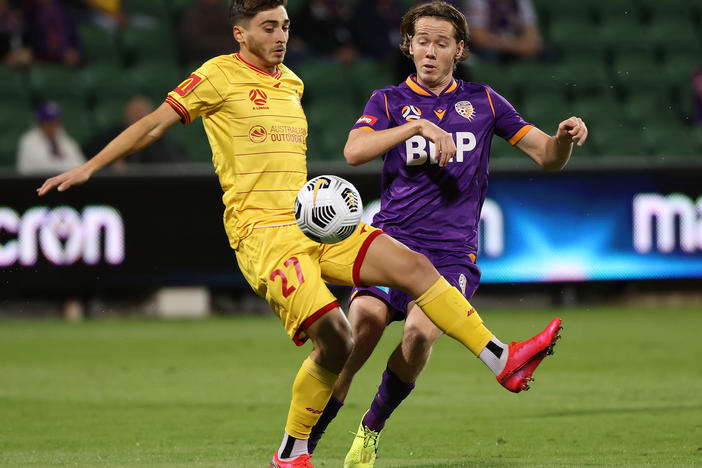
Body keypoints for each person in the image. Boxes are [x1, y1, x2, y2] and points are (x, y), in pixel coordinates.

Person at [36, 2, 564, 467]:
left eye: (285, 25)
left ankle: (503, 359)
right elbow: (152, 123)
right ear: (240, 34)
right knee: (338, 338)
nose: (281, 36)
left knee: (416, 269)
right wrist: (91, 166)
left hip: (313, 222)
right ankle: (292, 453)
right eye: (268, 27)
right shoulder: (217, 75)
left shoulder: (292, 82)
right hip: (263, 234)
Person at [306, 2, 587, 467]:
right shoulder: (389, 101)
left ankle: (369, 430)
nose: (430, 52)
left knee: (418, 336)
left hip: (450, 255)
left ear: (460, 49)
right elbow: (354, 151)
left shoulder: (486, 102)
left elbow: (547, 157)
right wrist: (413, 126)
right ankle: (304, 449)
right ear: (408, 46)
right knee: (359, 335)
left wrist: (562, 137)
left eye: (441, 43)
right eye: (422, 41)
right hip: (389, 246)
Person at [84, 95, 188, 168]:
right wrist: (110, 162)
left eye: (140, 113)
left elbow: (169, 165)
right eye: (133, 112)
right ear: (126, 114)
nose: (137, 116)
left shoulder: (161, 140)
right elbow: (90, 151)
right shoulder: (115, 134)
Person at [17, 101, 86, 174]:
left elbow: (80, 164)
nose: (53, 126)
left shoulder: (64, 138)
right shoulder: (28, 140)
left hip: (61, 181)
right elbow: (44, 167)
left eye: (56, 122)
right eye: (49, 122)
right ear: (40, 123)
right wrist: (68, 166)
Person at [465, 0, 543, 62]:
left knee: (545, 53)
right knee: (490, 54)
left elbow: (533, 36)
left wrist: (526, 45)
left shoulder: (521, 2)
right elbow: (478, 37)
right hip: (491, 49)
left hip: (512, 45)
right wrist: (516, 47)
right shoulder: (480, 2)